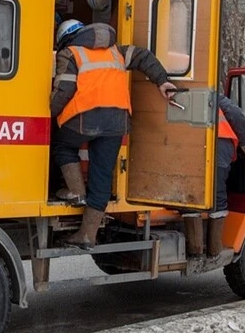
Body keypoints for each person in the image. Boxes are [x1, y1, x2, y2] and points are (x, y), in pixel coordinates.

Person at [51, 19, 177, 249]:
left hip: (82, 119)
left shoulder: (70, 53)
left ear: (64, 39)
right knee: (102, 175)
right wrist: (162, 80)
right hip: (117, 121)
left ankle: (76, 191)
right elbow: (143, 57)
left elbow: (64, 90)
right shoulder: (117, 51)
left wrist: (49, 114)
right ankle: (87, 235)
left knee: (62, 145)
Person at [185, 93, 245, 257]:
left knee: (191, 195)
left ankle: (195, 248)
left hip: (193, 147)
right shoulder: (216, 97)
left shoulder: (186, 96)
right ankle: (214, 249)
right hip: (220, 148)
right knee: (218, 195)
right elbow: (236, 114)